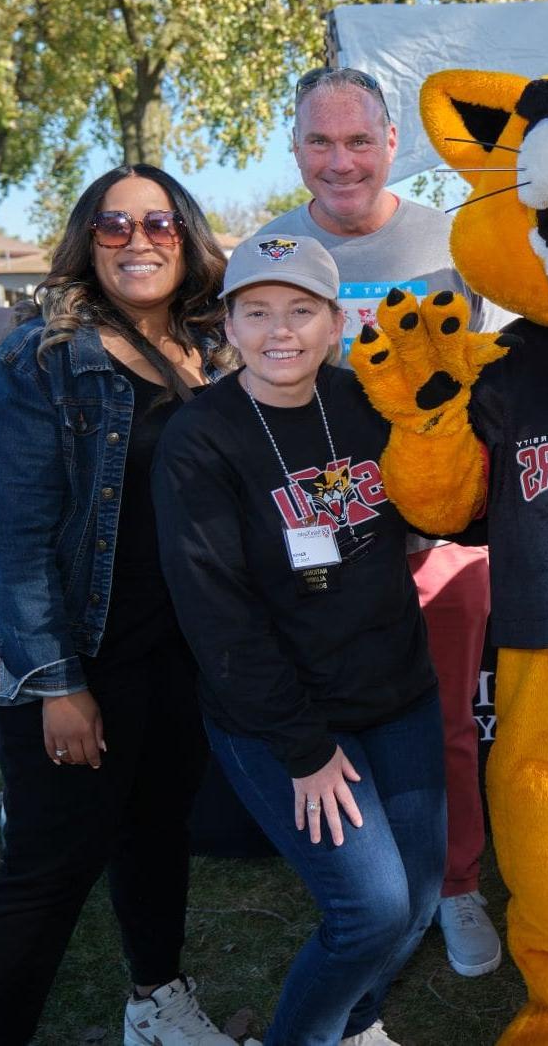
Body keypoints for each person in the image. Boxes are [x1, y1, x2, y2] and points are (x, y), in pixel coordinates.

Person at [0, 165, 237, 1046]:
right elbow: (14, 542)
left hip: (179, 658)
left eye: (158, 221)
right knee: (47, 869)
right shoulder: (39, 359)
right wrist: (55, 684)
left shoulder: (217, 350)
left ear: (188, 236)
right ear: (88, 243)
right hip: (80, 662)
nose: (138, 239)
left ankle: (157, 1002)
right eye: (113, 226)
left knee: (156, 834)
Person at [154, 235, 445, 1046]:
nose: (279, 331)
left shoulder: (366, 403)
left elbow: (440, 506)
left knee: (419, 899)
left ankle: (354, 1024)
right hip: (281, 716)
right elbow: (218, 617)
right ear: (229, 325)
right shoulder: (201, 438)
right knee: (370, 908)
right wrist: (304, 748)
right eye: (257, 312)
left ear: (334, 322)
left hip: (397, 693)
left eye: (300, 310)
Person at [259, 65, 502, 975]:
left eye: (359, 140)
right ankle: (371, 892)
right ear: (296, 149)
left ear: (393, 144)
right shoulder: (271, 250)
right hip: (320, 537)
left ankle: (460, 885)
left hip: (439, 530)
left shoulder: (456, 243)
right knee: (339, 720)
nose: (341, 160)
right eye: (320, 141)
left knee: (444, 717)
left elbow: (489, 381)